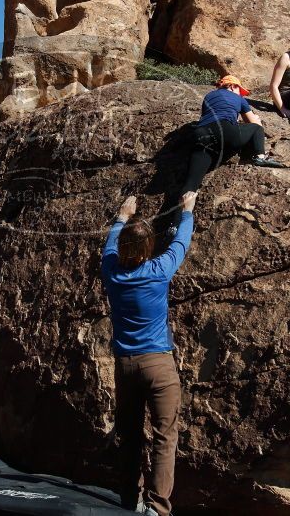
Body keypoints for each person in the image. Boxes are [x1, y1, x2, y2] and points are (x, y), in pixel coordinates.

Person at [101, 192, 196, 516]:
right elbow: (181, 243)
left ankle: (130, 499)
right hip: (158, 364)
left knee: (129, 436)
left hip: (126, 365)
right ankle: (157, 508)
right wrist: (187, 210)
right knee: (164, 437)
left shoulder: (111, 270)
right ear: (148, 249)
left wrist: (123, 215)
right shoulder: (159, 270)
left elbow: (111, 243)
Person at [170, 75, 281, 232]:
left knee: (191, 182)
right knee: (257, 129)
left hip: (202, 134)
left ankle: (174, 224)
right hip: (226, 132)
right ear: (232, 87)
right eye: (239, 90)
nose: (240, 94)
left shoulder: (209, 96)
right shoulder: (240, 99)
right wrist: (257, 120)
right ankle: (260, 157)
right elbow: (252, 122)